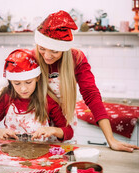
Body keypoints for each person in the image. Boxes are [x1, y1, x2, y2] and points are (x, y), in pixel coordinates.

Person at [32, 10, 139, 152]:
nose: (47, 56)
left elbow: (91, 95)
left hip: (65, 126)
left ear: (64, 49)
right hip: (35, 124)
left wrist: (111, 140)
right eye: (42, 49)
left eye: (54, 51)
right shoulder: (33, 58)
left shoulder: (76, 58)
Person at [0, 49, 73, 142]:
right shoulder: (6, 98)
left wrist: (53, 130)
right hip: (11, 152)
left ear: (37, 78)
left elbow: (69, 131)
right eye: (17, 83)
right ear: (10, 82)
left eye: (28, 82)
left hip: (40, 152)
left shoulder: (47, 100)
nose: (23, 88)